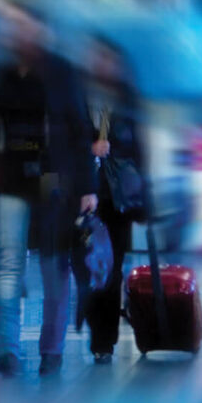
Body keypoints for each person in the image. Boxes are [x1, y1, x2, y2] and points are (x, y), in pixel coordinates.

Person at [0, 2, 96, 378]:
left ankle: (52, 350)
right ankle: (6, 350)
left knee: (53, 267)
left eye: (24, 24)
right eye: (11, 24)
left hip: (53, 181)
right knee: (9, 264)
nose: (18, 31)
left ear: (41, 30)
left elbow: (80, 132)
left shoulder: (62, 72)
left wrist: (87, 186)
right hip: (9, 180)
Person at [82, 35, 147, 364]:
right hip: (82, 195)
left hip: (115, 198)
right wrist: (90, 148)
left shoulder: (128, 99)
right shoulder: (77, 93)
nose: (104, 65)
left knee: (111, 269)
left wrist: (143, 200)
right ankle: (92, 328)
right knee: (85, 267)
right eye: (99, 57)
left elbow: (139, 150)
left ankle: (103, 341)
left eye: (109, 59)